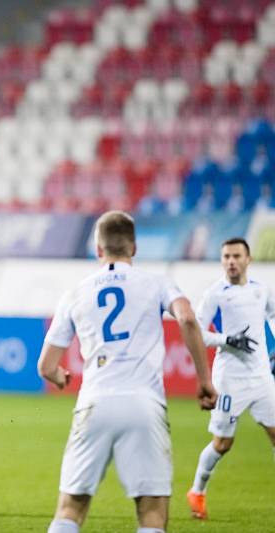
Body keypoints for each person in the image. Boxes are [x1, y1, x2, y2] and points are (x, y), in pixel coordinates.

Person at [38, 210, 217, 533]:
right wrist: (204, 380)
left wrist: (58, 376)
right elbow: (188, 319)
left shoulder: (76, 293)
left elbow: (46, 367)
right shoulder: (157, 283)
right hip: (144, 404)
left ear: (98, 249)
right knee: (151, 512)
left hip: (93, 403)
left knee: (70, 508)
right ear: (134, 248)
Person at [186, 237, 275, 520]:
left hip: (261, 378)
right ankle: (197, 491)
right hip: (229, 381)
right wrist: (227, 339)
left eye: (236, 256)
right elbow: (197, 332)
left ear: (248, 259)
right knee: (223, 443)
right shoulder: (215, 294)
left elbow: (273, 316)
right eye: (226, 257)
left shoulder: (262, 290)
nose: (231, 262)